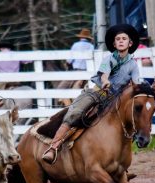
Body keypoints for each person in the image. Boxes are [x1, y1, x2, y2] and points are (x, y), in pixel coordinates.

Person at [42, 23, 140, 164]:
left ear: (130, 43)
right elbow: (104, 74)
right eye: (118, 39)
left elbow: (136, 83)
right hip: (98, 93)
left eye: (124, 39)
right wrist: (105, 81)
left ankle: (123, 159)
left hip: (116, 99)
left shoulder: (133, 65)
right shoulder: (109, 59)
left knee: (133, 115)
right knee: (75, 113)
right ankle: (53, 148)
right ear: (114, 43)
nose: (120, 41)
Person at [0, 42, 32, 108]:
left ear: (1, 48)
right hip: (15, 80)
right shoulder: (16, 55)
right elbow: (28, 61)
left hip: (2, 80)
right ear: (9, 48)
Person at [57, 28, 94, 106]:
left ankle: (67, 105)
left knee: (60, 88)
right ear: (88, 38)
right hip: (86, 73)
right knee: (76, 90)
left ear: (81, 37)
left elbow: (69, 61)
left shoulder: (75, 45)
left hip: (75, 71)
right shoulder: (91, 46)